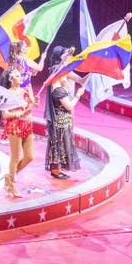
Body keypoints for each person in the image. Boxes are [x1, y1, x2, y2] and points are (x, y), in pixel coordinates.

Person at [44, 47, 85, 179]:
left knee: (63, 142)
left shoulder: (64, 72)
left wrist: (96, 70)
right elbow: (69, 105)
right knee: (58, 143)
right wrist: (78, 95)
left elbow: (81, 80)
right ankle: (55, 170)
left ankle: (58, 168)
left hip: (65, 115)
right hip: (59, 116)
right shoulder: (57, 73)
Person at [1, 68, 34, 198]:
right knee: (15, 157)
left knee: (30, 157)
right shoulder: (6, 94)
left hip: (27, 124)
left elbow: (29, 108)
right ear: (11, 80)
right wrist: (19, 113)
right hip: (15, 126)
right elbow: (5, 114)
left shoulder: (24, 92)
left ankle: (9, 178)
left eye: (20, 75)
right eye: (17, 76)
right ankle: (12, 185)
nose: (20, 77)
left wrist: (33, 102)